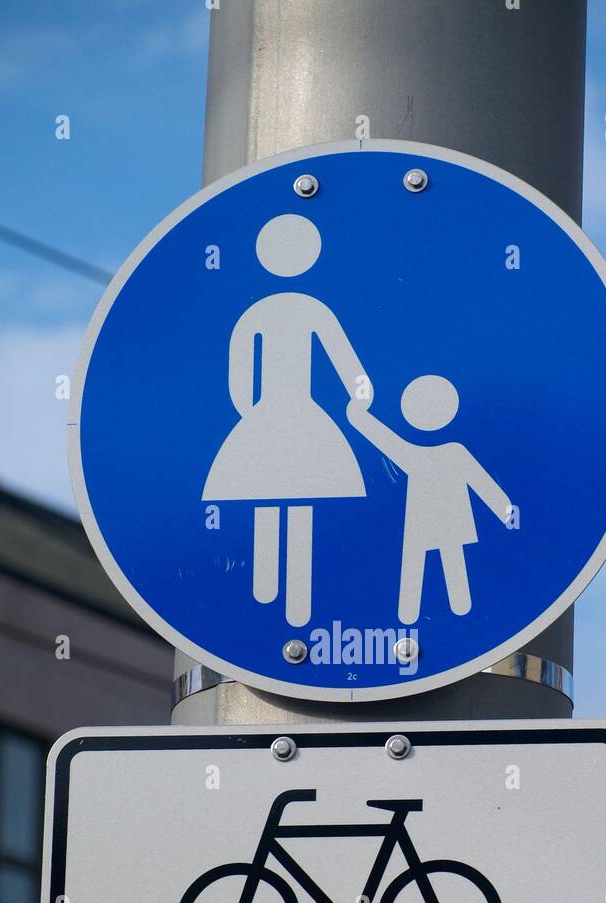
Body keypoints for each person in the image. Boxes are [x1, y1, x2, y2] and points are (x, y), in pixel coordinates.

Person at [203, 213, 369, 628]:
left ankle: (273, 591)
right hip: (298, 413)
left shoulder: (259, 313)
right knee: (300, 494)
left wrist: (252, 417)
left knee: (270, 491)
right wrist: (360, 394)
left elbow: (239, 378)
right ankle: (287, 600)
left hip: (269, 414)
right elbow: (345, 360)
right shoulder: (308, 309)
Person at [347, 375, 512, 624]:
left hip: (430, 520)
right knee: (435, 560)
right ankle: (438, 614)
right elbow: (483, 483)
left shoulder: (425, 454)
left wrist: (358, 416)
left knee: (427, 562)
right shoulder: (449, 452)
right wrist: (507, 512)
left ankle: (421, 615)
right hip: (433, 520)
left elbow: (482, 482)